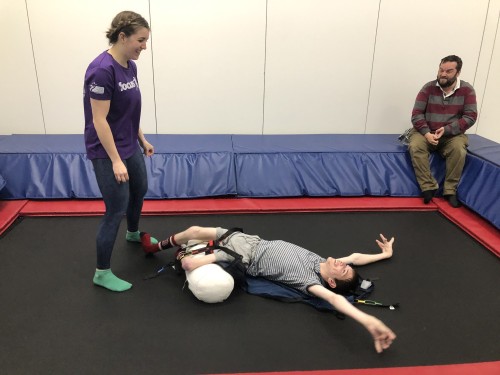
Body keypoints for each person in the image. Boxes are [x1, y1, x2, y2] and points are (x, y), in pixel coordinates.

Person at [141, 227, 397, 353]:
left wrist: (368, 319)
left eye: (342, 270)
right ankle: (156, 247)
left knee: (189, 262)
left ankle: (193, 258)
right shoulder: (320, 260)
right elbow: (355, 257)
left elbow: (335, 300)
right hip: (250, 239)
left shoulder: (310, 280)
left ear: (331, 282)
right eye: (344, 265)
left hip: (241, 256)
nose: (341, 264)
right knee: (194, 230)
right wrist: (384, 254)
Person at [83, 11, 157, 292]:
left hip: (128, 142)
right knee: (115, 208)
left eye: (146, 41)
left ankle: (133, 232)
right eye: (141, 40)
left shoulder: (130, 65)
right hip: (105, 150)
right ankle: (101, 273)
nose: (144, 47)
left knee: (140, 188)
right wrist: (115, 160)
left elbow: (128, 112)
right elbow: (99, 120)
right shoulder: (102, 70)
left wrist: (141, 139)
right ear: (123, 37)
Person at [408, 55, 477, 208]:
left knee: (459, 150)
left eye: (448, 71)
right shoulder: (428, 88)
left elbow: (470, 117)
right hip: (425, 132)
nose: (443, 74)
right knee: (415, 146)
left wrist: (447, 130)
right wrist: (426, 133)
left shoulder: (467, 90)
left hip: (452, 135)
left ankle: (450, 190)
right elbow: (416, 114)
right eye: (441, 70)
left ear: (458, 73)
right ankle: (428, 187)